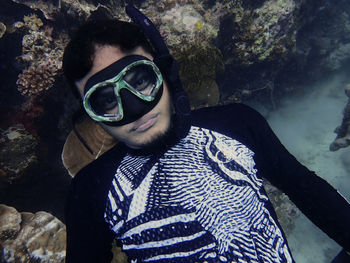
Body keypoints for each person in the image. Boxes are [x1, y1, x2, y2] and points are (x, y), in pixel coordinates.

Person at [62, 5, 350, 263]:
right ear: (92, 116)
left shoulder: (237, 123)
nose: (135, 109)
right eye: (107, 101)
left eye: (140, 80)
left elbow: (305, 187)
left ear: (165, 71)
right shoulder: (88, 191)